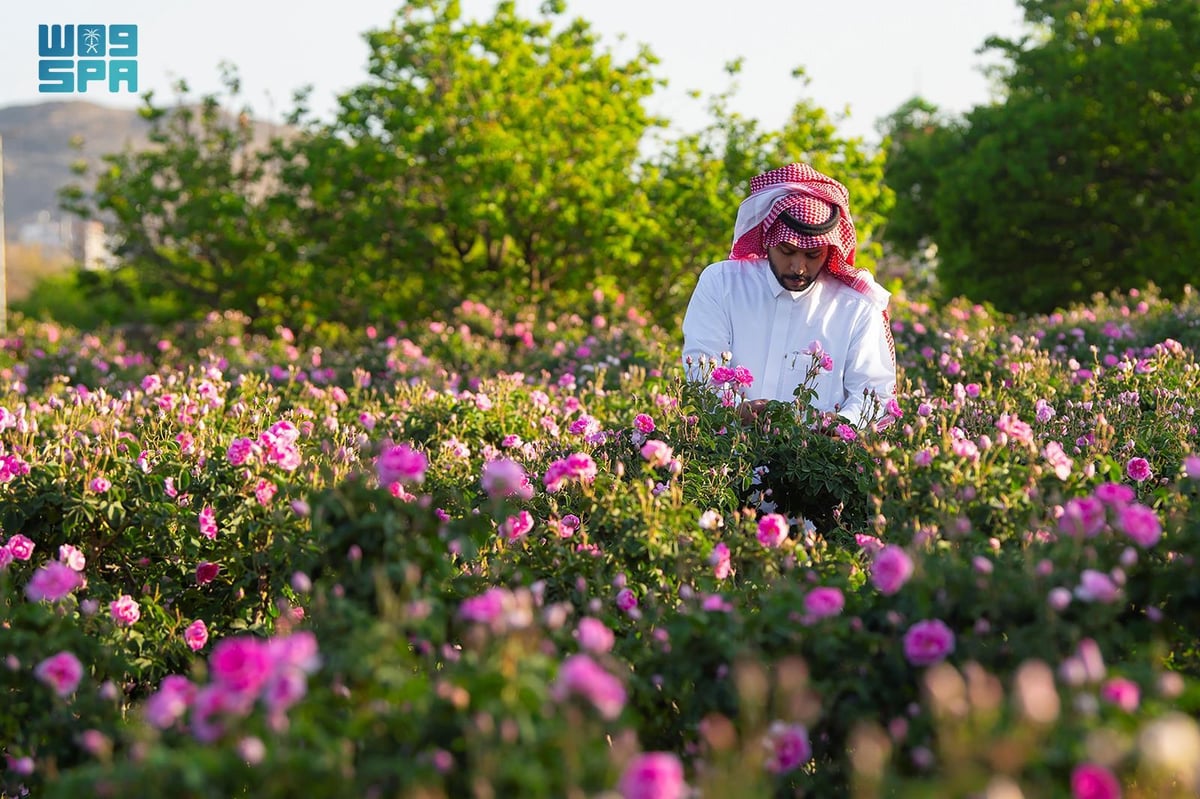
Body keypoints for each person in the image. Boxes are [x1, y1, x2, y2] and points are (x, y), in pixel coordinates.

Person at [682, 163, 896, 427]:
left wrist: (839, 424)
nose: (799, 267)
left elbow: (874, 394)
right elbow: (702, 365)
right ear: (767, 239)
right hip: (727, 456)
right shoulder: (722, 283)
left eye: (812, 255)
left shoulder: (857, 308)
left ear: (829, 250)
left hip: (818, 463)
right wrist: (735, 411)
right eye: (787, 251)